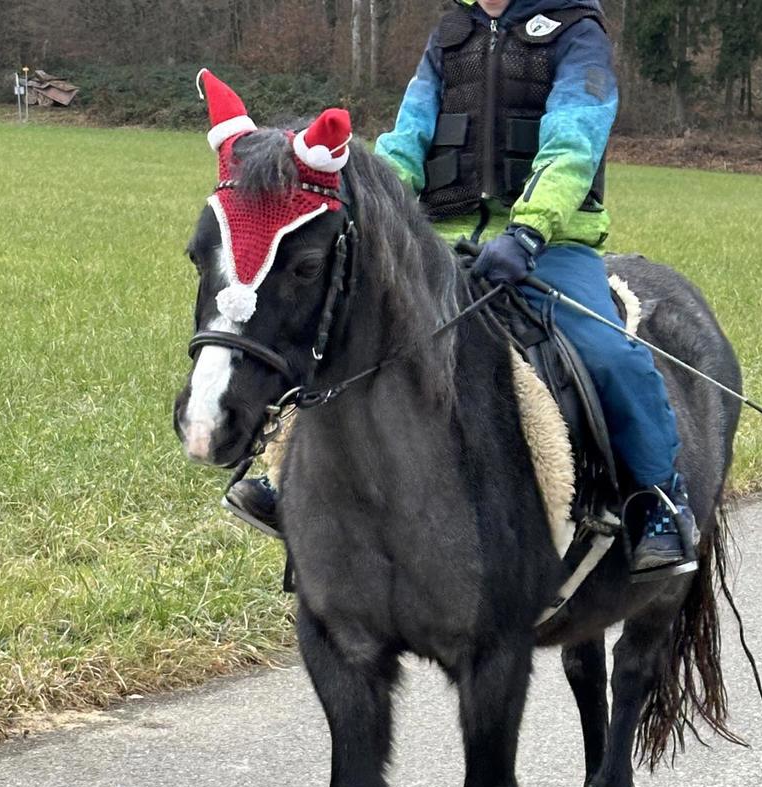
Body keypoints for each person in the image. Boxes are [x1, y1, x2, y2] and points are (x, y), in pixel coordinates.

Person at [225, 0, 697, 573]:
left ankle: (660, 501)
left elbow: (575, 138)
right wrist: (380, 216)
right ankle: (297, 483)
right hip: (437, 234)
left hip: (549, 243)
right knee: (340, 323)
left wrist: (528, 230)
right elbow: (406, 138)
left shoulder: (578, 30)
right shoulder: (451, 34)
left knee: (605, 353)